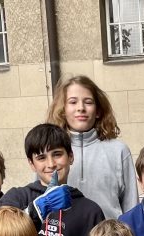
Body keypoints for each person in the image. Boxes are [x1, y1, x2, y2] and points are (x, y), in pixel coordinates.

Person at [0, 123, 105, 236]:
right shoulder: (16, 197)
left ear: (71, 156)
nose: (51, 164)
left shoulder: (91, 211)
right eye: (41, 158)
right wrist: (35, 210)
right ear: (31, 163)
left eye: (57, 154)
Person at [47, 75, 137, 219]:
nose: (81, 108)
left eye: (88, 102)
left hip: (109, 233)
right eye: (73, 102)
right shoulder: (50, 151)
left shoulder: (119, 150)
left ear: (98, 111)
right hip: (65, 233)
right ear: (63, 110)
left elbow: (131, 207)